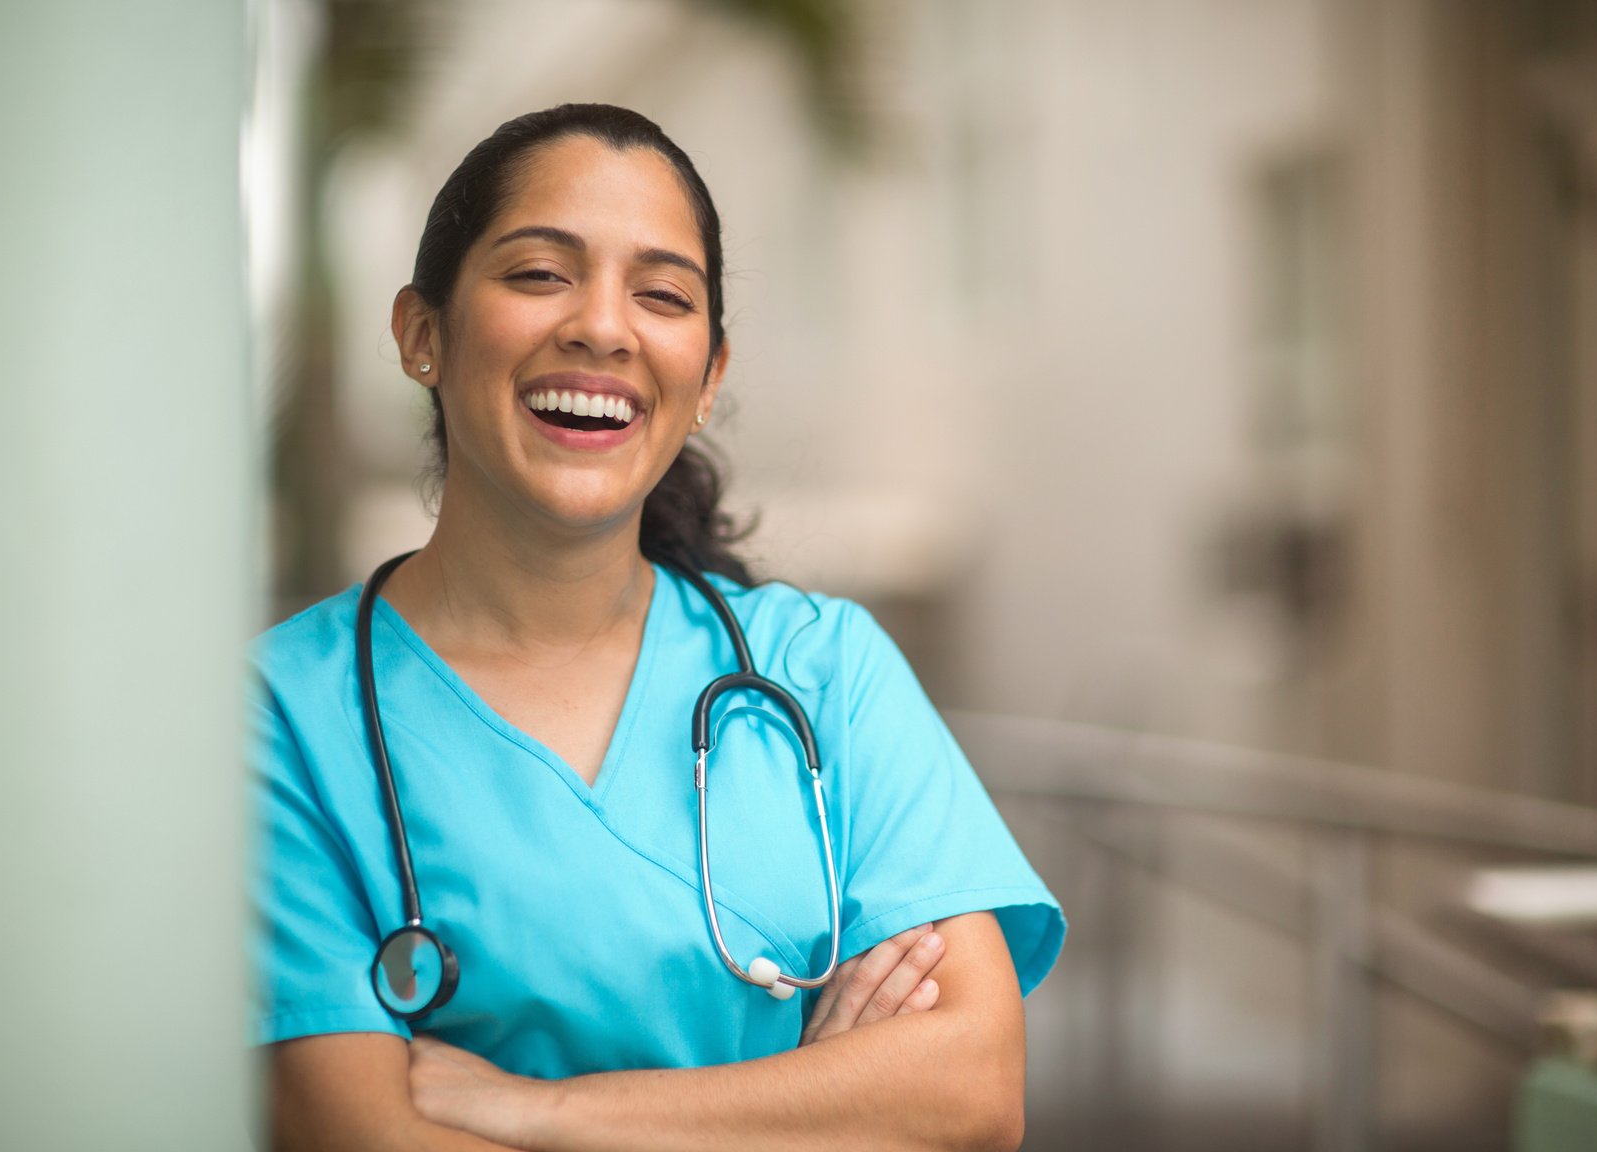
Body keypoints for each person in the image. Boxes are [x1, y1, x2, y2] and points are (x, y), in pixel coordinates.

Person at [251, 103, 1064, 1152]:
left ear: (708, 375)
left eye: (663, 295)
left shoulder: (826, 670)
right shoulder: (279, 720)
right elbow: (372, 1135)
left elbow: (975, 1091)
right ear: (422, 334)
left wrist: (544, 1111)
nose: (603, 326)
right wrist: (818, 1101)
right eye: (540, 273)